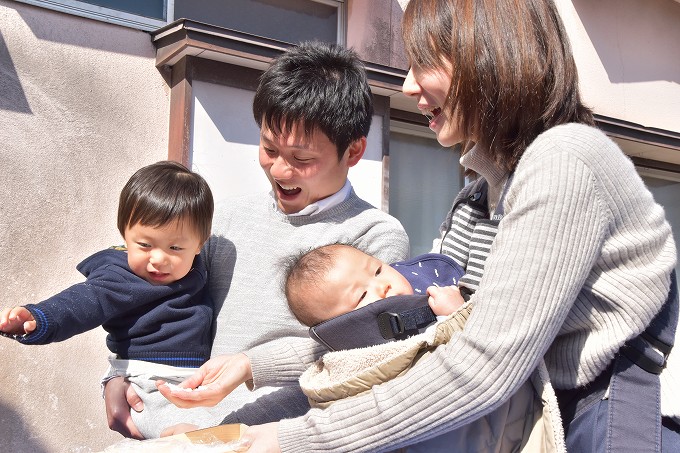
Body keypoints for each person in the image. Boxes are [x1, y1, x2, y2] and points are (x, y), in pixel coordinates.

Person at [158, 1, 679, 451]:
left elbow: (480, 368)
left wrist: (291, 440)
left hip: (608, 415)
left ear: (489, 56)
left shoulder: (566, 162)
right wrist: (250, 370)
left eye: (424, 63)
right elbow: (396, 333)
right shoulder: (479, 194)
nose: (407, 85)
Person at [104, 41, 410, 439]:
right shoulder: (225, 220)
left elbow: (360, 354)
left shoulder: (375, 235)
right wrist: (118, 371)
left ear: (353, 151)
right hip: (184, 416)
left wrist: (243, 382)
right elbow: (160, 303)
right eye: (268, 148)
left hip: (280, 435)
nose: (280, 170)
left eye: (302, 159)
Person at [0, 160, 215, 414]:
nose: (158, 259)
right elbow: (84, 302)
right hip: (142, 376)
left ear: (200, 244)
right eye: (145, 245)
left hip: (189, 376)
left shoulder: (198, 266)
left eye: (175, 248)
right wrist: (40, 317)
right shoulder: (119, 276)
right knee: (180, 431)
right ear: (125, 235)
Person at [284, 243, 465, 327]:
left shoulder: (422, 275)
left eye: (378, 270)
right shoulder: (376, 345)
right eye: (362, 295)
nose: (382, 285)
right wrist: (456, 314)